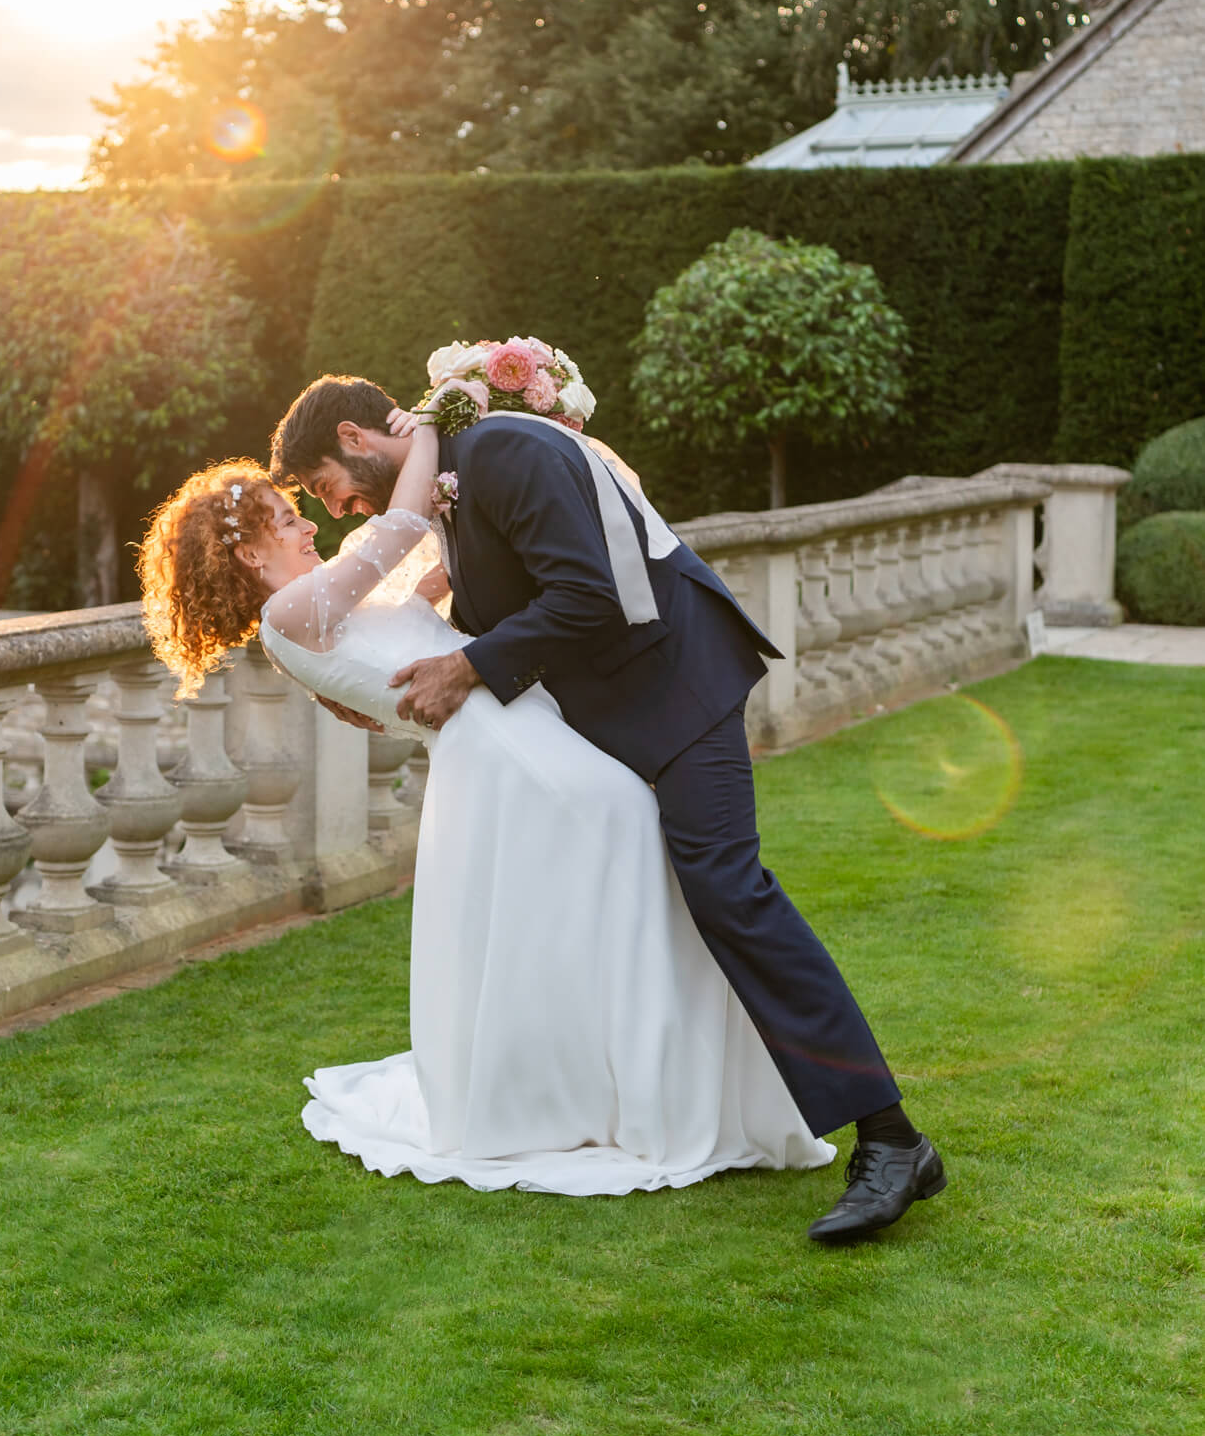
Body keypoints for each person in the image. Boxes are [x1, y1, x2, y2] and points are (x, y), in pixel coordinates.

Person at [268, 373, 947, 1242]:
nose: (337, 511)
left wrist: (466, 668)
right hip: (602, 715)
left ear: (358, 439)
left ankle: (891, 1143)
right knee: (655, 898)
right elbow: (482, 604)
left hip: (678, 682)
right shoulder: (449, 477)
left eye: (329, 489)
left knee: (725, 889)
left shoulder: (505, 450)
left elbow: (588, 592)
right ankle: (662, 1098)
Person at [139, 412, 836, 1198]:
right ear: (245, 552)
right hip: (507, 759)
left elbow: (438, 580)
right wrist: (434, 422)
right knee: (630, 845)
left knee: (608, 891)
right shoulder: (290, 614)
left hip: (521, 741)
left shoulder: (327, 605)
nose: (310, 525)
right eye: (288, 519)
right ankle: (638, 1091)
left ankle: (630, 1081)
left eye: (305, 508)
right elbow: (401, 526)